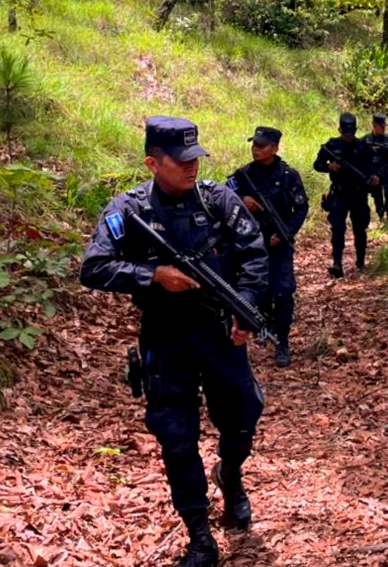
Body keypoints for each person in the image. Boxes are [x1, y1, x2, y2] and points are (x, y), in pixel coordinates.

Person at [80, 117, 268, 567]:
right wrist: (152, 276)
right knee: (177, 440)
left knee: (243, 417)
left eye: (195, 158)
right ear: (152, 163)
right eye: (181, 161)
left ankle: (232, 475)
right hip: (166, 341)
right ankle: (200, 535)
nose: (192, 168)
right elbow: (94, 267)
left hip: (220, 335)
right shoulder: (128, 211)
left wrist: (244, 307)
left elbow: (254, 254)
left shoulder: (218, 200)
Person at [227, 126, 309, 368]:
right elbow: (221, 196)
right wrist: (242, 200)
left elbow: (301, 208)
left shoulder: (288, 175)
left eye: (261, 146)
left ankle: (282, 341)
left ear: (274, 149)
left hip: (279, 242)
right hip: (250, 244)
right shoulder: (243, 175)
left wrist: (285, 234)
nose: (256, 149)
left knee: (283, 292)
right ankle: (263, 324)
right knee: (257, 289)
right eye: (254, 145)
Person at [313, 112, 378, 277]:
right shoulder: (332, 146)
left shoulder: (363, 147)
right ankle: (337, 264)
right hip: (339, 193)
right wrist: (330, 167)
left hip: (358, 193)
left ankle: (361, 262)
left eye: (351, 132)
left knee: (360, 228)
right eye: (345, 132)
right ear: (340, 130)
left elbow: (375, 166)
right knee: (338, 228)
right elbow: (318, 164)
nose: (349, 136)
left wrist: (376, 178)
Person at [363, 114, 388, 225]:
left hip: (387, 171)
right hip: (374, 172)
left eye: (384, 126)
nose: (383, 128)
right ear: (374, 125)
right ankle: (381, 215)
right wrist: (370, 152)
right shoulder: (366, 139)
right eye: (381, 126)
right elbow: (359, 154)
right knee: (377, 195)